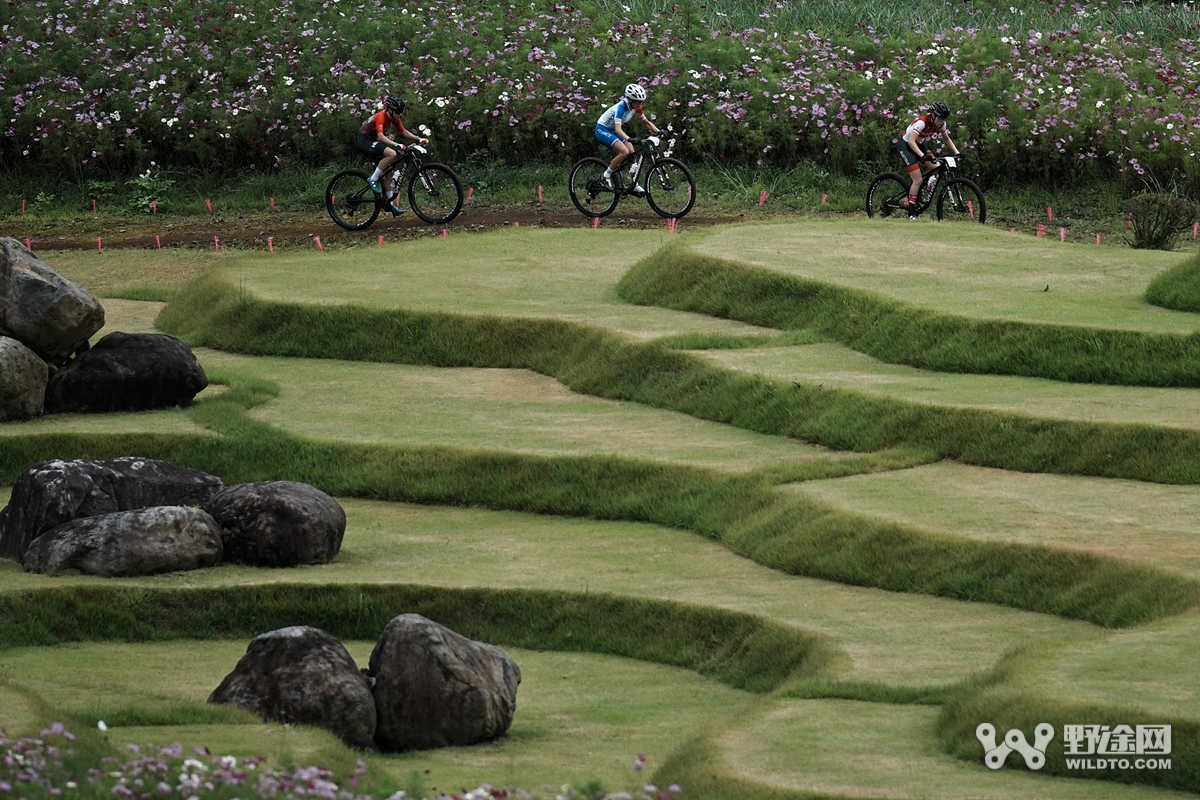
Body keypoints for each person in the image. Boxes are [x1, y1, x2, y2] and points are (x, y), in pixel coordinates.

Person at [357, 95, 428, 215]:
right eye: (398, 112)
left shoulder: (395, 117)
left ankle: (389, 204)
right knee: (392, 153)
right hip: (364, 140)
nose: (400, 114)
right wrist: (396, 144)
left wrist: (418, 139)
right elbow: (380, 137)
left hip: (372, 140)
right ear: (390, 109)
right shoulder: (381, 116)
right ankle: (373, 179)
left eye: (401, 111)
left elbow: (403, 132)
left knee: (389, 172)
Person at [594, 83, 661, 194]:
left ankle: (634, 184)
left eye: (641, 102)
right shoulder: (621, 107)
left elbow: (646, 123)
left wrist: (659, 131)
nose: (639, 104)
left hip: (613, 130)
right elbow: (618, 129)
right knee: (624, 152)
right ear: (629, 99)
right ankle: (605, 177)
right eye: (637, 102)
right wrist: (630, 139)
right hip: (603, 129)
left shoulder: (636, 108)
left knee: (632, 153)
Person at [898, 101, 960, 216]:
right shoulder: (922, 122)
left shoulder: (941, 124)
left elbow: (946, 139)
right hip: (906, 145)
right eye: (940, 118)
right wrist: (922, 156)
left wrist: (957, 153)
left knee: (937, 167)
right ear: (933, 115)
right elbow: (911, 141)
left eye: (944, 119)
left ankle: (919, 192)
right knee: (917, 180)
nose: (942, 121)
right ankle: (911, 213)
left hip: (919, 145)